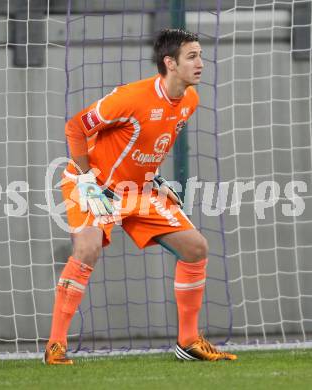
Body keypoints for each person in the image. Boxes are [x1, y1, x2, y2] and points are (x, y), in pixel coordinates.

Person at [44, 29, 237, 364]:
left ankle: (188, 341)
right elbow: (76, 127)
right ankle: (55, 347)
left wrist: (156, 178)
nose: (200, 63)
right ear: (170, 63)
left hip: (136, 190)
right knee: (87, 250)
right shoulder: (130, 98)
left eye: (200, 55)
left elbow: (149, 144)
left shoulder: (189, 101)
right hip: (91, 184)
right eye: (192, 56)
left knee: (195, 248)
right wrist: (88, 180)